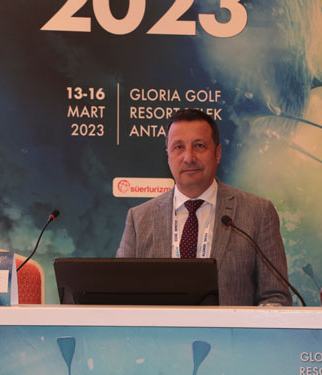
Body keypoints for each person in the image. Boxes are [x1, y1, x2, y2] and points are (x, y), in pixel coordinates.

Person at [116, 109, 292, 306]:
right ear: (168, 155)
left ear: (217, 153)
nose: (189, 157)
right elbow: (120, 294)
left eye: (199, 146)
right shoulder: (139, 219)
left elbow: (275, 297)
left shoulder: (258, 212)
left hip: (231, 328)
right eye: (178, 147)